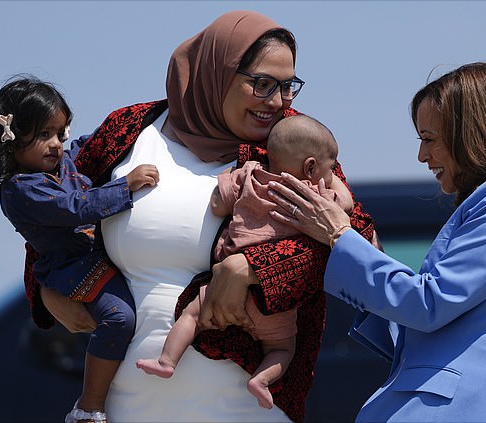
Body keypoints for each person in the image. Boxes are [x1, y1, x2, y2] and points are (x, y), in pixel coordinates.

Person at [20, 11, 375, 423]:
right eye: (261, 84)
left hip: (250, 411)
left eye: (287, 87)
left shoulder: (293, 142)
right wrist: (44, 289)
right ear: (217, 71)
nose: (276, 102)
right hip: (126, 407)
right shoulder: (129, 129)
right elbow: (45, 206)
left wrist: (250, 267)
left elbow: (356, 240)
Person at [267, 62, 486, 422]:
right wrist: (360, 245)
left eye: (429, 139)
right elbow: (429, 320)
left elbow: (429, 303)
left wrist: (339, 235)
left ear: (471, 134)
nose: (422, 156)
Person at [0, 76, 159, 423]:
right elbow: (75, 206)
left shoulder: (65, 162)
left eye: (60, 133)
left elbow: (102, 140)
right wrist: (126, 186)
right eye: (43, 135)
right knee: (119, 318)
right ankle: (88, 407)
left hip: (100, 255)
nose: (56, 144)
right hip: (76, 268)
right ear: (10, 139)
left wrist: (155, 116)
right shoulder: (19, 191)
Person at [135, 114, 354, 410]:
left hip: (217, 291)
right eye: (331, 168)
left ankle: (167, 360)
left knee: (190, 317)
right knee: (282, 349)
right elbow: (346, 210)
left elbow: (217, 204)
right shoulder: (314, 198)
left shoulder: (250, 175)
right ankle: (260, 380)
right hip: (271, 302)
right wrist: (332, 184)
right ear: (311, 167)